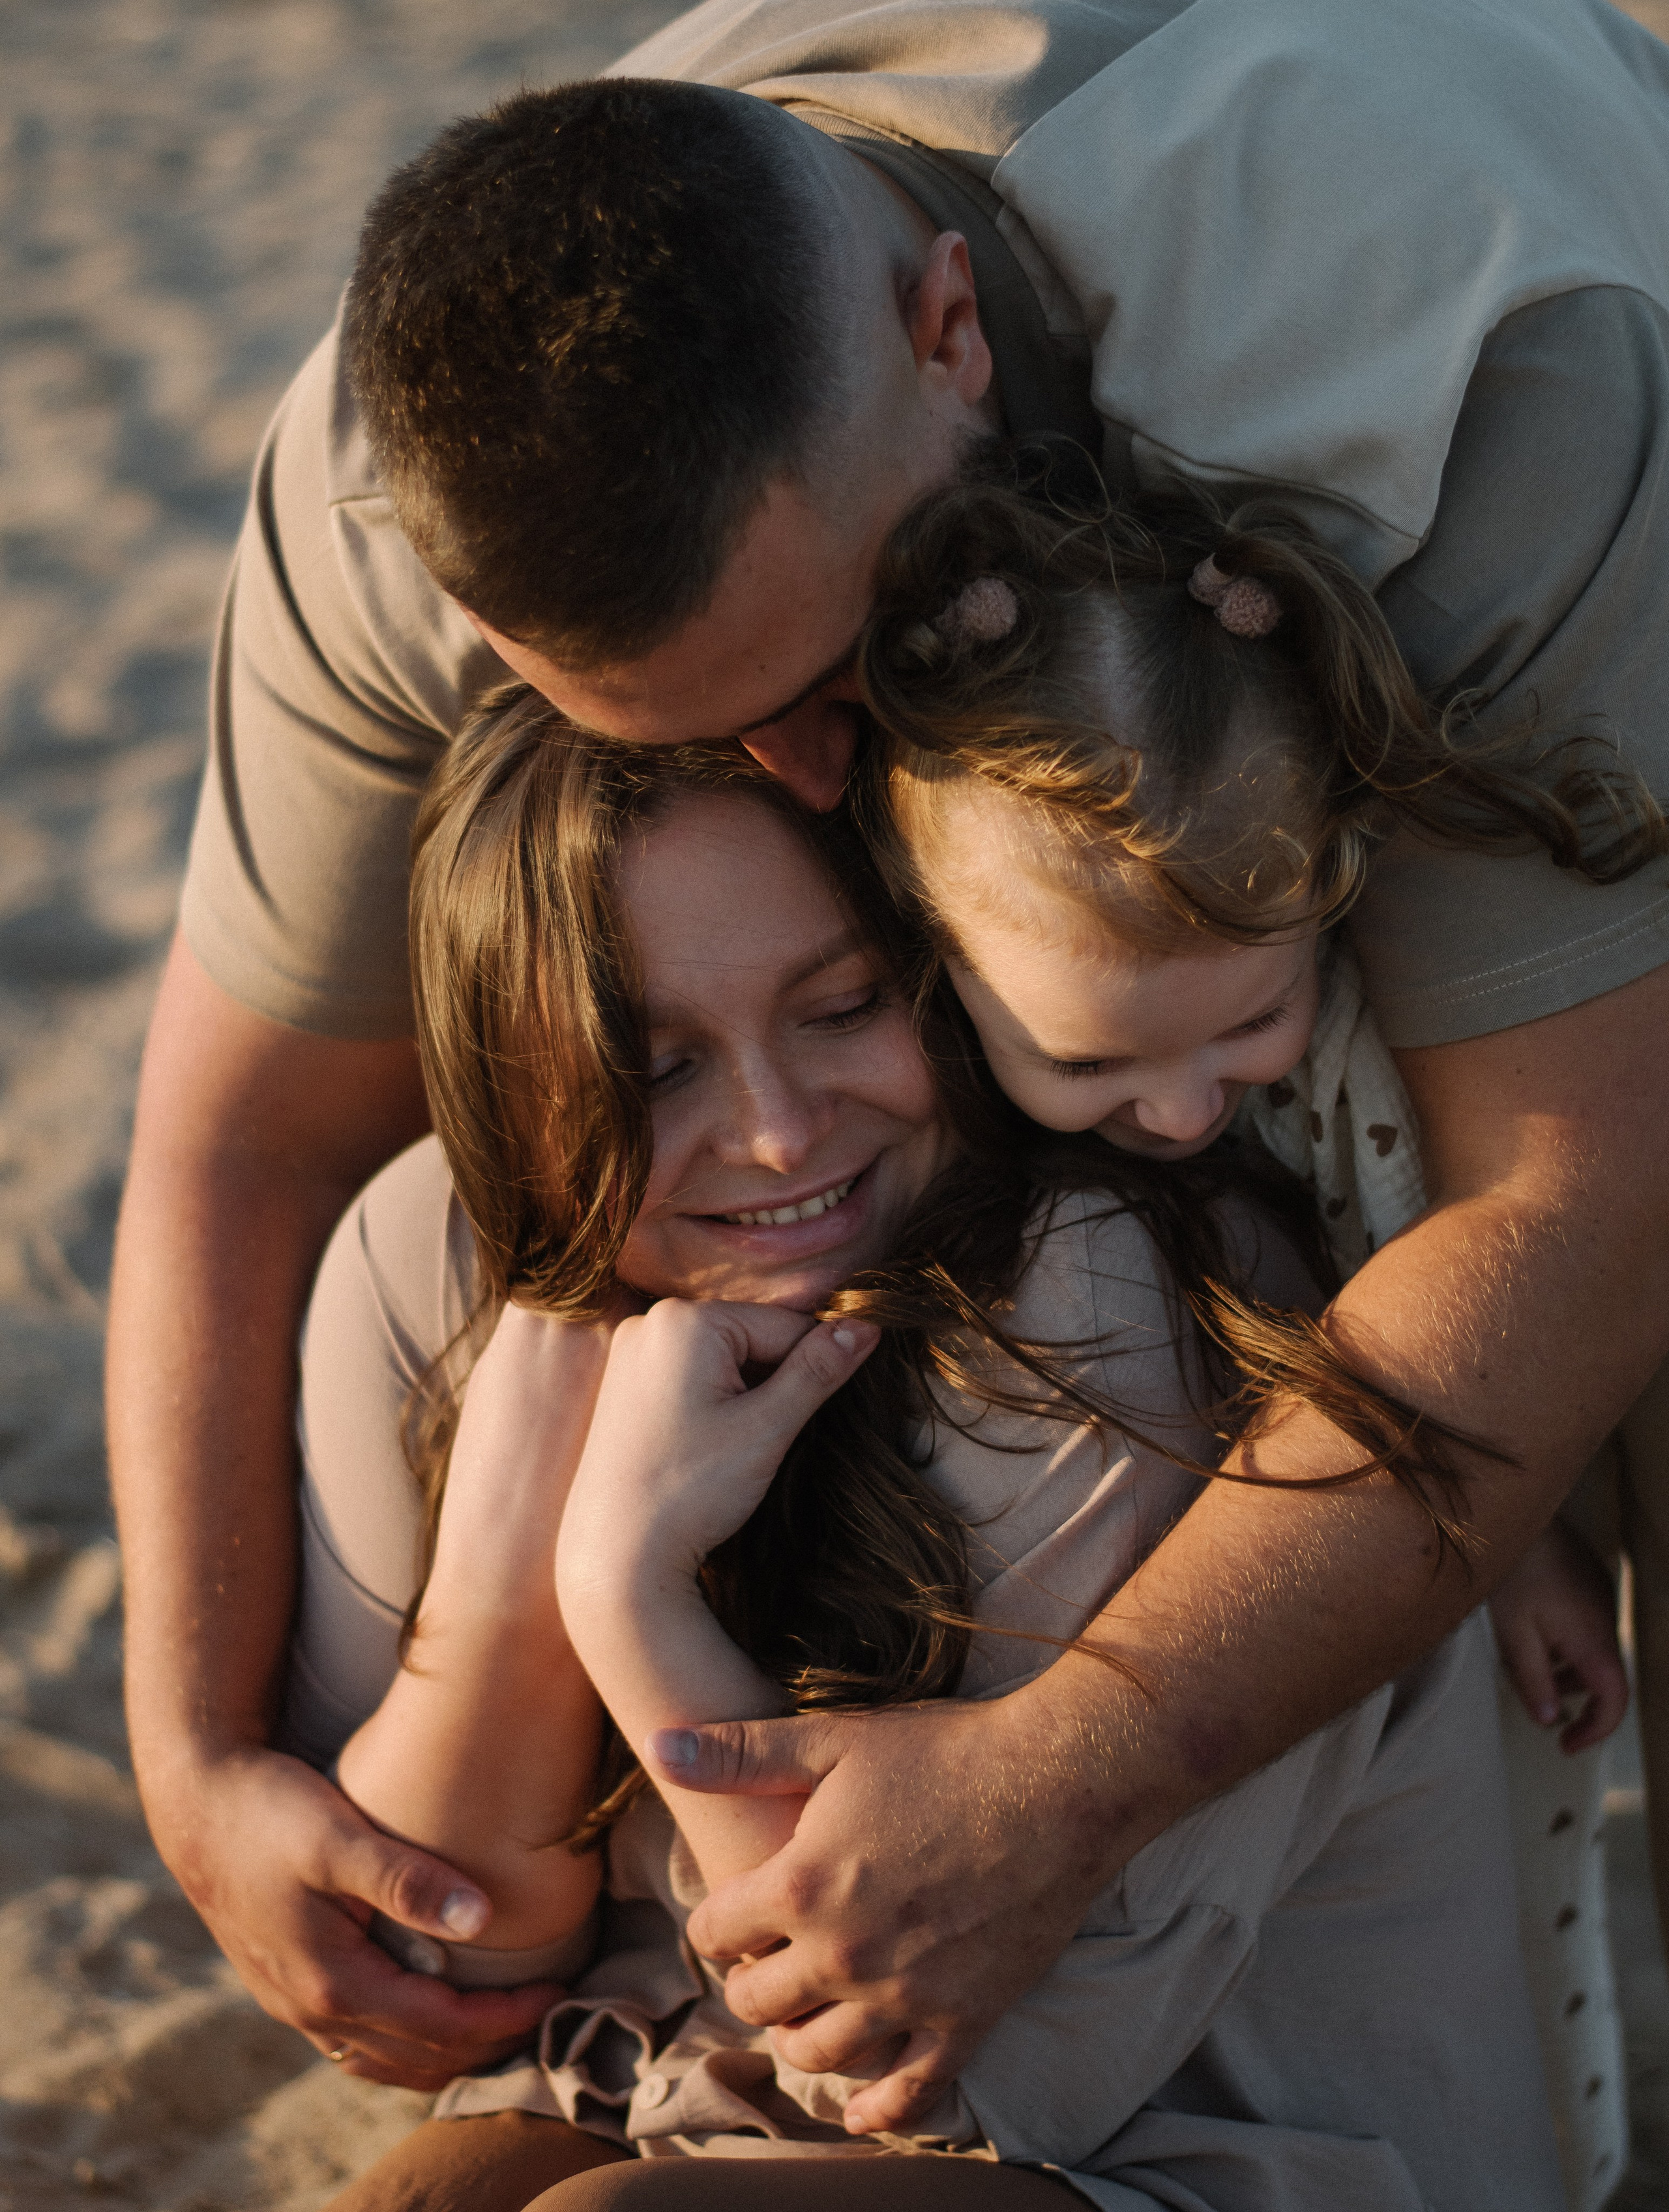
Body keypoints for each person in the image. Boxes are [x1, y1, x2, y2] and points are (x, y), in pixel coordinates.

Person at [108, 0, 1669, 2118]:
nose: (805, 782)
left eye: (845, 672)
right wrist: (193, 1756)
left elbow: (1579, 1199)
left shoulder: (1455, 359)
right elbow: (250, 1130)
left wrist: (1070, 1768)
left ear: (949, 337)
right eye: (683, 734)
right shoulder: (402, 493)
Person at [288, 693, 1559, 2211]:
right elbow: (439, 1983)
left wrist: (624, 1593)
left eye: (840, 1007)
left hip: (1188, 2148)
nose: (777, 1131)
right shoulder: (428, 1253)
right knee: (428, 2192)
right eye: (654, 1067)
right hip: (684, 2092)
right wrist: (511, 1552)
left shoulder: (1082, 1301)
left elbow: (920, 2075)